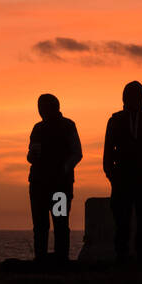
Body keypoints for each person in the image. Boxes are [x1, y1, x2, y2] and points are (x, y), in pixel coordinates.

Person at [103, 81, 142, 267]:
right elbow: (107, 152)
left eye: (137, 96)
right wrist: (112, 175)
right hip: (122, 178)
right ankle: (122, 257)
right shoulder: (115, 120)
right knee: (122, 221)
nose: (134, 100)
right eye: (130, 96)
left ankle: (141, 257)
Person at [27, 93, 83, 263]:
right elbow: (31, 155)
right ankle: (42, 258)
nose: (40, 111)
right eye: (39, 107)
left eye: (42, 107)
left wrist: (63, 169)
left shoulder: (67, 126)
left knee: (59, 223)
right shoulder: (38, 128)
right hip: (39, 185)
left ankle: (60, 259)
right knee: (41, 224)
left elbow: (77, 153)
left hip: (59, 186)